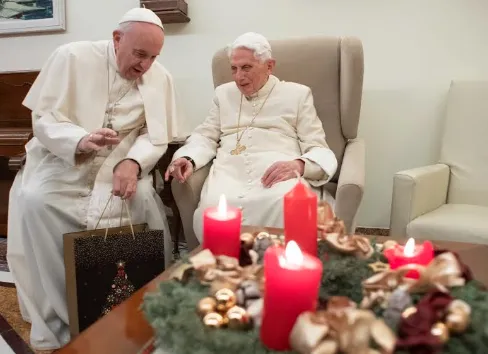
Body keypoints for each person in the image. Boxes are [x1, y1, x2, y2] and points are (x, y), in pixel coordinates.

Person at [6, 8, 184, 351]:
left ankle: (127, 310)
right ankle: (61, 315)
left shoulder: (159, 77)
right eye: (140, 54)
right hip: (63, 158)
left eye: (154, 57)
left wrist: (133, 162)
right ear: (117, 39)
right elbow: (44, 119)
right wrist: (80, 139)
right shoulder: (70, 57)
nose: (146, 66)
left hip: (120, 161)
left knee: (141, 200)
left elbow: (155, 135)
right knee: (35, 201)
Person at [165, 32, 338, 242]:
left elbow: (317, 144)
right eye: (234, 69)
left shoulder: (297, 95)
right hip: (229, 171)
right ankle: (223, 269)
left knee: (283, 203)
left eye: (246, 67)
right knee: (213, 208)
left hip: (277, 171)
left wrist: (299, 165)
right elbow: (206, 135)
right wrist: (189, 158)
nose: (238, 77)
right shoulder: (223, 94)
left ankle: (275, 266)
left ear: (269, 66)